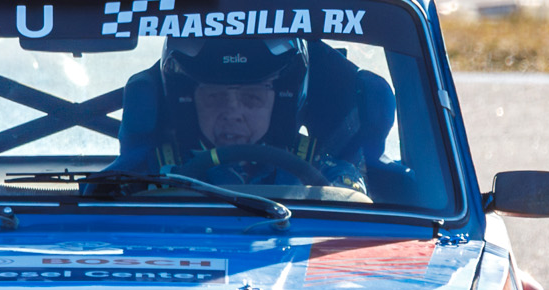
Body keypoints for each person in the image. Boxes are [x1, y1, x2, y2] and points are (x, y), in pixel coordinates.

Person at [107, 34, 367, 197]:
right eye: (215, 97)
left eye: (252, 99)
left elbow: (356, 224)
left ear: (280, 104)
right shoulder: (149, 171)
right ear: (189, 103)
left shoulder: (324, 171)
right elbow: (97, 205)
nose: (232, 114)